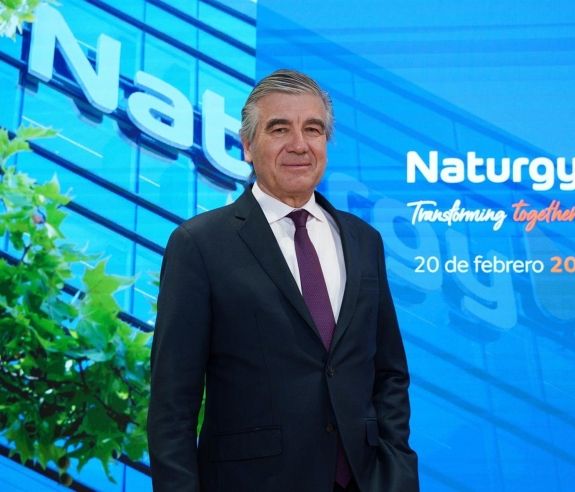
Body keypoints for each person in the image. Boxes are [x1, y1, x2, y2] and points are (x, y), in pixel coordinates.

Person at [147, 69, 419, 492]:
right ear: (247, 145)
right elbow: (172, 406)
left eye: (313, 129)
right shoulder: (198, 244)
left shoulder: (364, 241)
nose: (299, 144)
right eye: (279, 129)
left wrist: (397, 474)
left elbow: (389, 374)